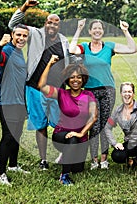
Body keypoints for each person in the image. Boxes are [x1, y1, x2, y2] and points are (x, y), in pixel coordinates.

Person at [8, 0, 70, 170]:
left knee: (61, 125)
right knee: (40, 125)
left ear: (59, 26)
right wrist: (25, 7)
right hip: (35, 88)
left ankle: (63, 154)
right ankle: (43, 160)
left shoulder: (64, 40)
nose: (52, 26)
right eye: (49, 22)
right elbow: (13, 25)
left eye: (55, 24)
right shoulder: (34, 33)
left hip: (57, 91)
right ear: (45, 23)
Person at [69, 19, 137, 170]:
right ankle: (94, 160)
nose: (97, 31)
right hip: (90, 91)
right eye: (94, 29)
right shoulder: (85, 47)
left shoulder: (109, 46)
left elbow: (132, 49)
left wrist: (125, 31)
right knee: (93, 125)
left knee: (104, 125)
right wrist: (79, 29)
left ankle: (104, 160)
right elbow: (71, 49)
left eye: (100, 28)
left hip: (107, 91)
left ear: (103, 31)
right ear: (90, 31)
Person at [38, 55, 98, 185]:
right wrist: (49, 63)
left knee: (78, 169)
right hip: (61, 134)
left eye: (78, 77)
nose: (75, 80)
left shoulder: (89, 95)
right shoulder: (61, 93)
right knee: (72, 139)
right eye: (72, 77)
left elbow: (94, 116)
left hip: (80, 138)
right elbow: (42, 86)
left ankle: (66, 157)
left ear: (83, 79)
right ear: (67, 79)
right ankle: (64, 176)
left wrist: (81, 133)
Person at [0, 24, 30, 186]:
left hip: (20, 100)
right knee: (8, 136)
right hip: (7, 100)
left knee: (17, 134)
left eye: (24, 36)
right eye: (18, 35)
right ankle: (1, 174)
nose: (21, 38)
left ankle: (13, 165)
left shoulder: (19, 52)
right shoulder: (7, 49)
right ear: (12, 35)